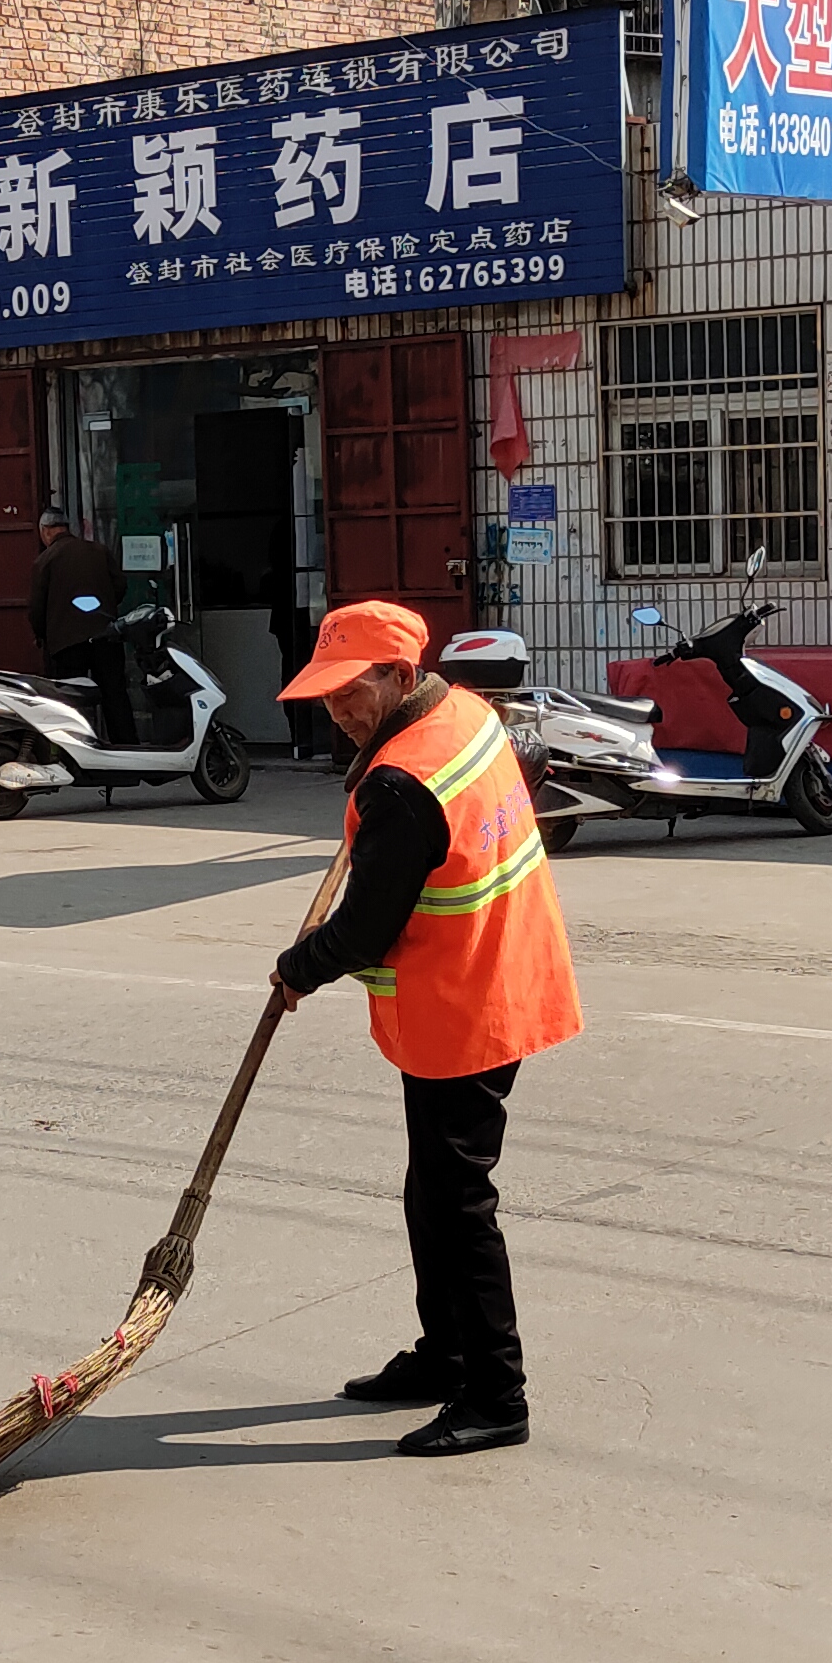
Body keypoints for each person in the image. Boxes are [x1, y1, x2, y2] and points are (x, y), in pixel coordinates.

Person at [269, 598, 583, 1457]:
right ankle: (444, 1354)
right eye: (325, 695)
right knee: (432, 1192)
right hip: (498, 974)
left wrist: (297, 969)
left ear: (401, 676)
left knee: (458, 1204)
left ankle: (495, 1395)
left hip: (467, 1007)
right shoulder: (466, 711)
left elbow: (364, 928)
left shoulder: (404, 784)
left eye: (351, 691)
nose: (336, 710)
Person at [31, 515, 132, 742]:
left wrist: (41, 634)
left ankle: (77, 748)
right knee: (114, 695)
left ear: (45, 531)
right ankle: (127, 751)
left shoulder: (45, 560)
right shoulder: (99, 551)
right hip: (106, 636)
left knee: (70, 699)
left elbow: (37, 607)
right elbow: (120, 586)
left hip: (67, 642)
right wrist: (103, 608)